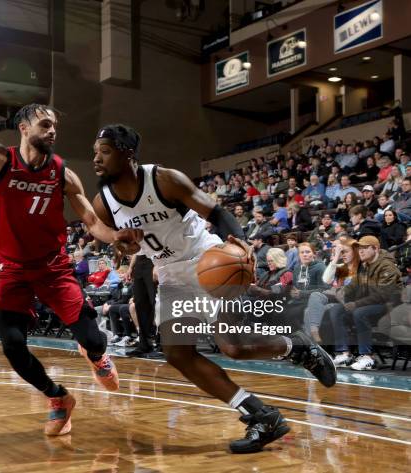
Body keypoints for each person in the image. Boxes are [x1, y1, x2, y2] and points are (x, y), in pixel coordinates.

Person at [0, 20, 142, 437]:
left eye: (54, 126)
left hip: (54, 267)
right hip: (11, 270)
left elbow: (91, 221)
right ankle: (58, 396)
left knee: (94, 339)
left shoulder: (62, 173)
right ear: (23, 129)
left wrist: (116, 238)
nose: (52, 131)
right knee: (12, 346)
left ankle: (95, 356)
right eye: (44, 125)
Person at [91, 123, 336, 454]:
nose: (96, 159)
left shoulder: (164, 179)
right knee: (178, 354)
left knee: (231, 346)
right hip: (170, 272)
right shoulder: (104, 202)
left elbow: (217, 211)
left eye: (104, 152)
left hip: (205, 260)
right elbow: (125, 243)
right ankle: (261, 415)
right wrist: (124, 246)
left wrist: (241, 240)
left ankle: (298, 348)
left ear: (127, 153)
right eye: (95, 152)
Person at [329, 236, 402, 370]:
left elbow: (383, 295)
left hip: (389, 306)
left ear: (375, 249)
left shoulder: (387, 266)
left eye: (364, 248)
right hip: (369, 303)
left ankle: (367, 356)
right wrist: (342, 292)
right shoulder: (365, 265)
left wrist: (356, 304)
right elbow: (354, 284)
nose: (360, 251)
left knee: (359, 313)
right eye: (359, 248)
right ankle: (344, 354)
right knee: (336, 310)